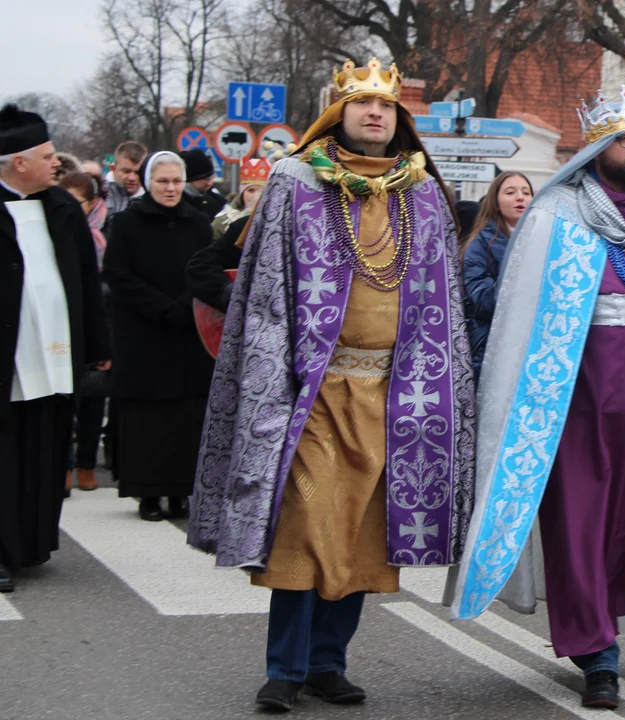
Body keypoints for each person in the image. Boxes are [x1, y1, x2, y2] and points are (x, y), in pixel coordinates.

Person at [188, 58, 474, 711]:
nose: (376, 113)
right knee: (307, 525)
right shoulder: (295, 182)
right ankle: (285, 668)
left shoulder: (422, 192)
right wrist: (273, 376)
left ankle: (327, 662)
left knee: (364, 535)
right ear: (337, 113)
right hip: (314, 390)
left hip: (396, 393)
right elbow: (263, 294)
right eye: (362, 103)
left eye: (387, 105)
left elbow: (443, 302)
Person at [452, 85, 625, 710]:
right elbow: (522, 315)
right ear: (599, 149)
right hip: (574, 405)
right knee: (578, 522)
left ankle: (605, 622)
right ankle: (597, 652)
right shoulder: (556, 215)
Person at [0, 105, 110, 592]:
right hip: (10, 355)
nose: (57, 165)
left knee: (43, 447)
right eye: (47, 157)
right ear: (17, 163)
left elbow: (87, 283)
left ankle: (29, 542)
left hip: (54, 353)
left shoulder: (63, 210)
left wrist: (98, 345)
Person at [103, 152, 214, 521]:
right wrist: (160, 307)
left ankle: (181, 491)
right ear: (150, 182)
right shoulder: (126, 223)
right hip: (143, 332)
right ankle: (147, 493)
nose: (170, 188)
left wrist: (184, 304)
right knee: (146, 418)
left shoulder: (199, 223)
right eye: (163, 181)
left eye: (176, 181)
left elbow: (206, 269)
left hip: (188, 330)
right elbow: (117, 274)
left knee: (187, 414)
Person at [58, 171, 109, 493]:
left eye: (77, 201)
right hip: (63, 326)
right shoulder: (56, 228)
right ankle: (63, 466)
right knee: (64, 404)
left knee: (93, 400)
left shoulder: (107, 230)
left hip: (101, 317)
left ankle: (87, 464)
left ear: (91, 202)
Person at [462, 171, 533, 379]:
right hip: (491, 346)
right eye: (510, 192)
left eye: (526, 192)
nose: (520, 197)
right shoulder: (479, 245)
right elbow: (482, 300)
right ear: (495, 203)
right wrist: (521, 267)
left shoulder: (544, 239)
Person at [211, 158, 268, 239]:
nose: (256, 196)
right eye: (251, 190)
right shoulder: (223, 221)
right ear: (242, 193)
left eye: (261, 191)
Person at [178, 148, 226, 219]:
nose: (210, 183)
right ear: (190, 179)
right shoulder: (173, 201)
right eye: (206, 179)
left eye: (212, 178)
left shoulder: (218, 202)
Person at [105, 141, 146, 220]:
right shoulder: (100, 196)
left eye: (138, 172)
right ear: (113, 168)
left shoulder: (152, 200)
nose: (132, 178)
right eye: (126, 171)